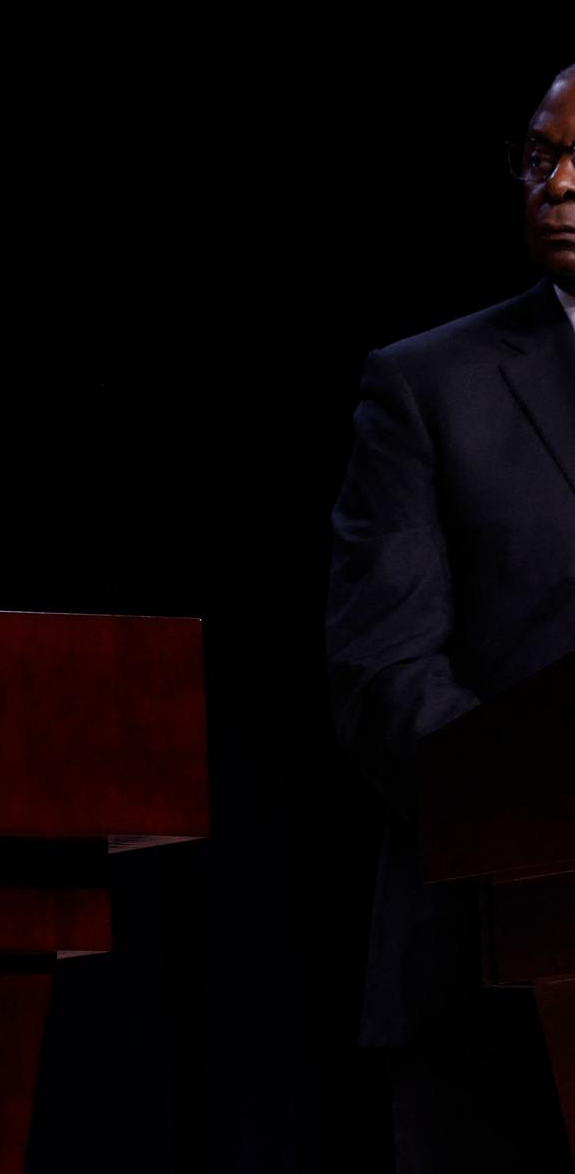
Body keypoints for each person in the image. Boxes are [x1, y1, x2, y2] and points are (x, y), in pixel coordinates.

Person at [327, 66, 575, 1171]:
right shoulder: (430, 386)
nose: (557, 185)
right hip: (491, 979)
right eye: (539, 157)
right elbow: (385, 673)